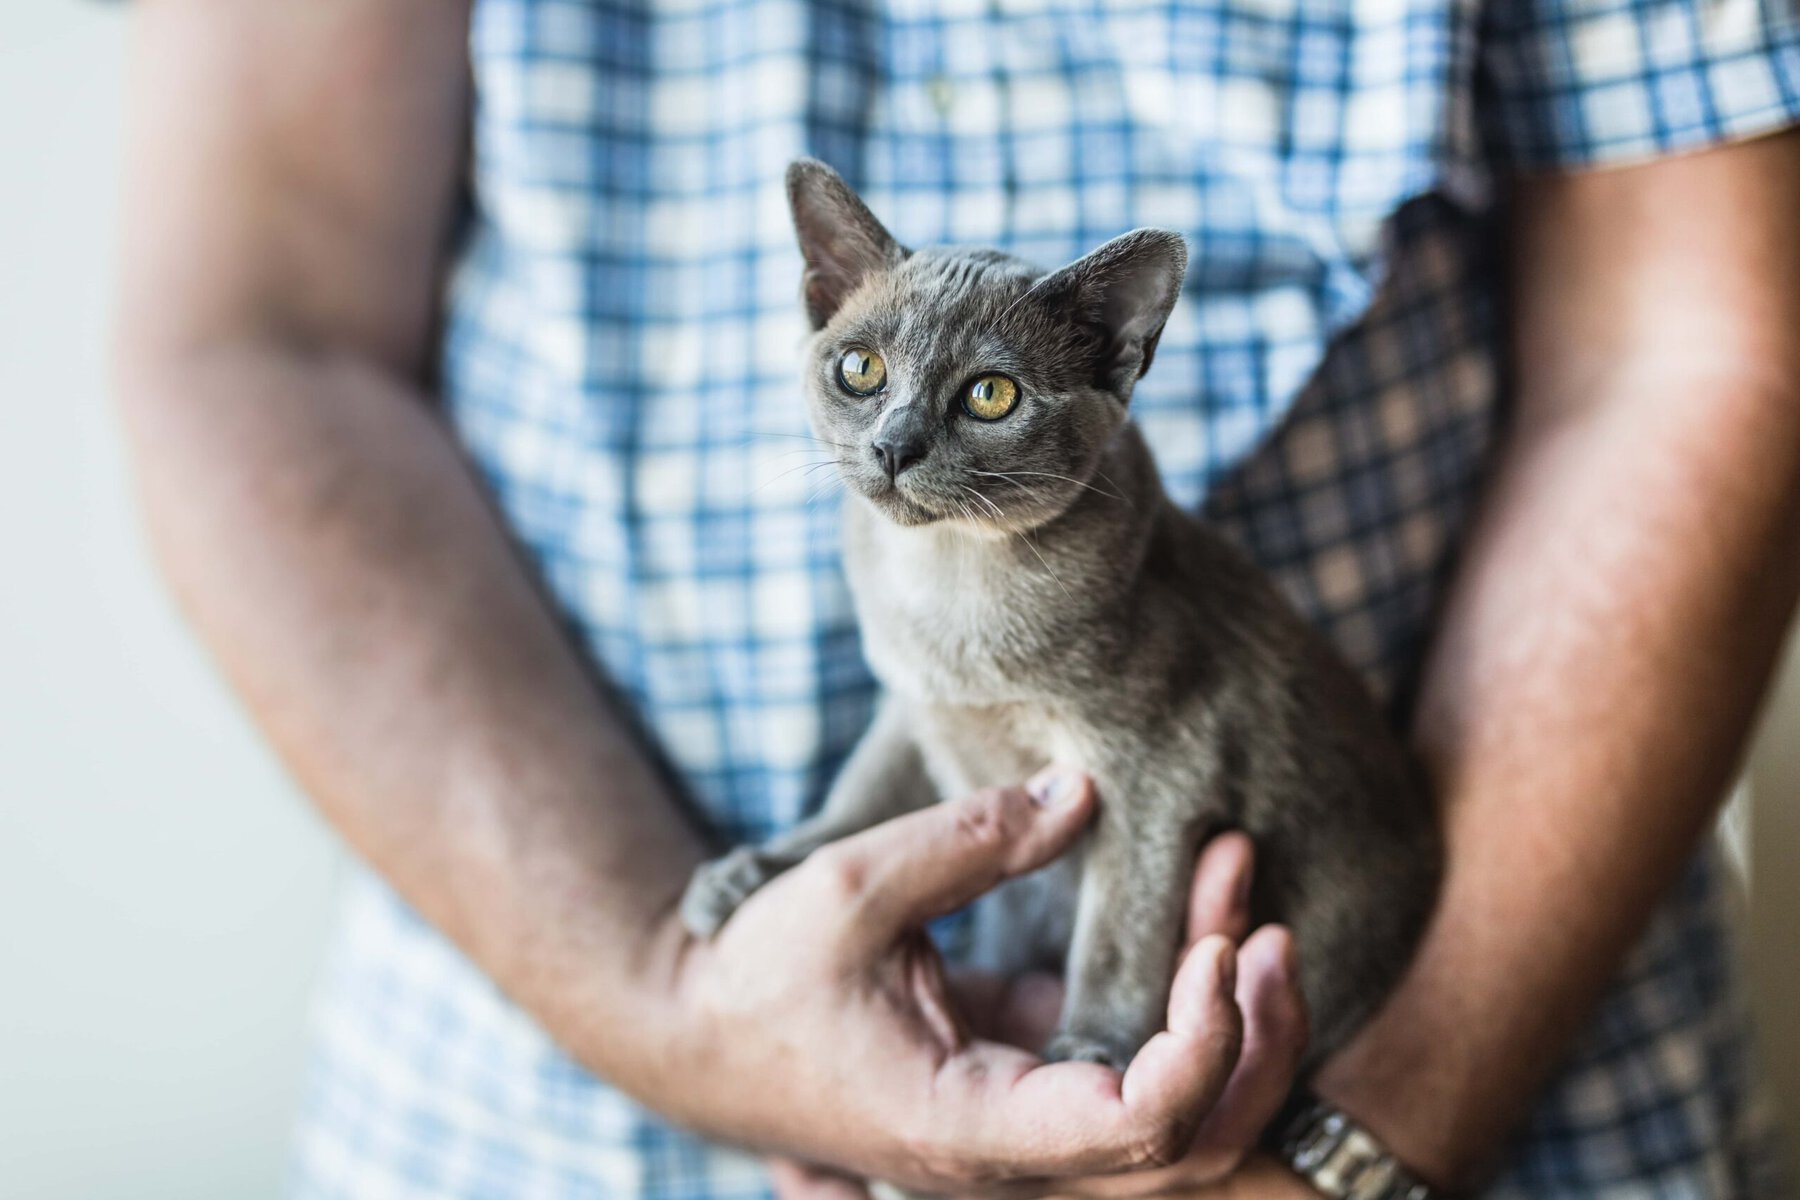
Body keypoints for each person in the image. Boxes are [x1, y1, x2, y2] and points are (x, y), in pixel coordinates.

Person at [114, 0, 1800, 1195]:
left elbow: (1693, 357)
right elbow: (254, 341)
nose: (900, 443)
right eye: (858, 373)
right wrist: (676, 985)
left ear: (1111, 360)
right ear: (824, 300)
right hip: (547, 1115)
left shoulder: (1096, 548)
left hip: (1422, 1055)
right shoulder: (889, 511)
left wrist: (1314, 1125)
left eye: (985, 400)